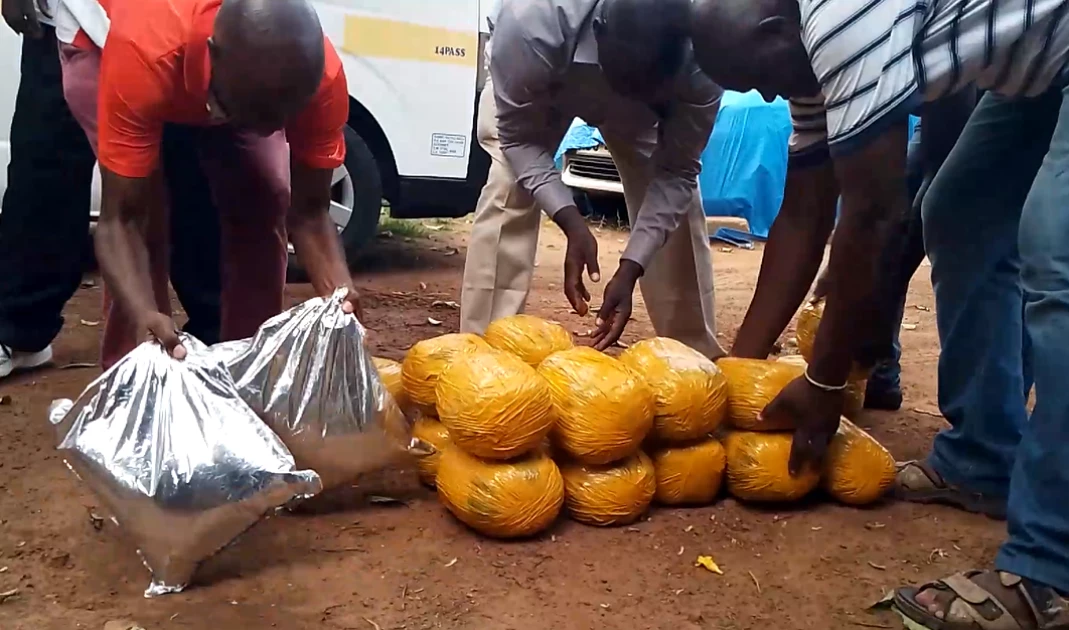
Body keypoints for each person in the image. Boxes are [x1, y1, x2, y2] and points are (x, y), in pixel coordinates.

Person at [691, 0, 1069, 625]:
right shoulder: (804, 65)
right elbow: (806, 212)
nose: (763, 92)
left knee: (1057, 254)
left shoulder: (837, 22)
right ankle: (983, 461)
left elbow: (874, 211)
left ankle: (1051, 567)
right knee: (959, 212)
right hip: (1035, 68)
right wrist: (737, 374)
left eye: (753, 73)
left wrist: (824, 381)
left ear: (775, 28)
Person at [59, 0, 360, 368]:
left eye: (280, 118)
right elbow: (121, 222)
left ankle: (248, 365)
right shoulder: (146, 50)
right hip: (108, 49)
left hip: (214, 76)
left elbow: (311, 214)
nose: (269, 128)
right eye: (252, 112)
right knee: (147, 213)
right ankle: (138, 371)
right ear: (214, 56)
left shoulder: (318, 81)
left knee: (266, 194)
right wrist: (143, 312)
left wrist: (339, 296)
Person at [460, 0, 723, 359]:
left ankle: (693, 357)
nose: (626, 98)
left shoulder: (706, 59)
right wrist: (570, 221)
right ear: (600, 32)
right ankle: (483, 356)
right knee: (510, 182)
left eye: (649, 86)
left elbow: (676, 172)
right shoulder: (531, 19)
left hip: (650, 100)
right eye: (628, 81)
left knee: (675, 205)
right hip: (546, 77)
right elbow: (519, 139)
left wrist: (632, 266)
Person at [0, 0, 224, 379]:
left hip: (177, 24)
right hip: (78, 21)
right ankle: (24, 327)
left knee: (193, 179)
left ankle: (214, 341)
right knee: (45, 167)